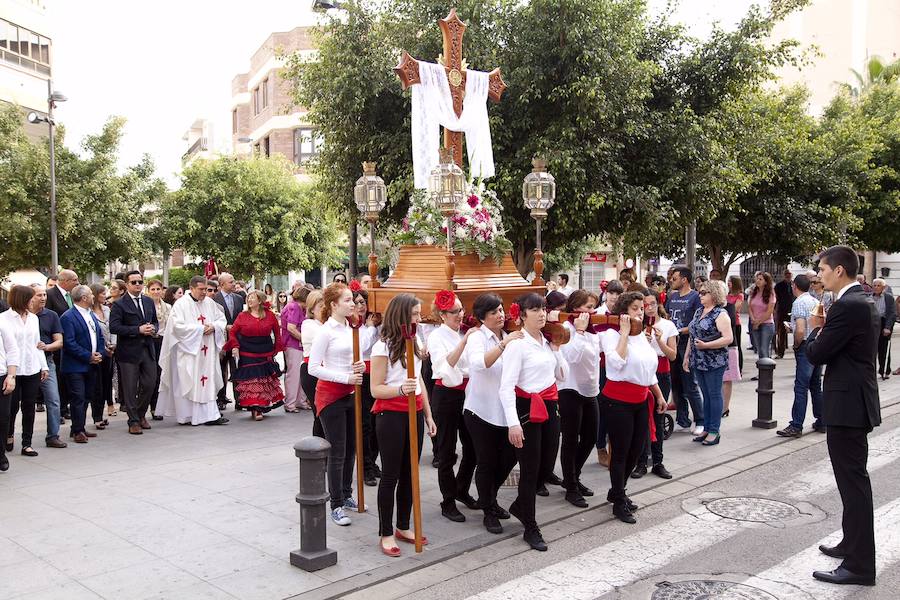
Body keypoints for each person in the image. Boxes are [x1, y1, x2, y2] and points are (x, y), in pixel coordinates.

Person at [804, 246, 880, 587]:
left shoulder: (848, 306)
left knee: (853, 486)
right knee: (851, 483)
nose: (819, 275)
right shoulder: (857, 301)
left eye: (822, 269)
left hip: (848, 406)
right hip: (852, 402)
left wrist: (814, 328)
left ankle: (860, 566)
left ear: (839, 271)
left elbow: (817, 353)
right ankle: (851, 543)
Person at [499, 292, 569, 551]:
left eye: (543, 308)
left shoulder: (546, 340)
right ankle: (530, 526)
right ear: (521, 315)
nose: (541, 313)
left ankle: (520, 505)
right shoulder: (517, 344)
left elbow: (561, 375)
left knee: (546, 464)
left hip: (550, 404)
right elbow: (505, 387)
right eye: (534, 309)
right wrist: (513, 423)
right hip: (527, 408)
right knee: (529, 469)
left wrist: (558, 350)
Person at [369, 293, 437, 557]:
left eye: (420, 314)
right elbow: (375, 389)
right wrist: (399, 389)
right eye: (415, 314)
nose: (419, 319)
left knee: (411, 472)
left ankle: (403, 525)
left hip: (416, 412)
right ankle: (385, 532)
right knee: (391, 475)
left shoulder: (417, 339)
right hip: (391, 415)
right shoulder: (381, 347)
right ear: (401, 315)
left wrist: (429, 416)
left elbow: (419, 380)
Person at [599, 291, 666, 524]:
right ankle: (618, 500)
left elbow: (648, 369)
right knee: (620, 452)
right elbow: (616, 362)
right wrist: (624, 334)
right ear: (624, 311)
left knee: (637, 450)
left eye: (643, 307)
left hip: (640, 398)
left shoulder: (642, 335)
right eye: (636, 308)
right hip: (617, 400)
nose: (642, 311)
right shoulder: (611, 333)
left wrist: (658, 395)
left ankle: (618, 490)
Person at [309, 282, 367, 526]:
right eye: (347, 300)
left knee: (352, 447)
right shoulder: (325, 331)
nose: (352, 303)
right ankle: (336, 504)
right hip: (331, 396)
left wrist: (361, 366)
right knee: (338, 451)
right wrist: (345, 377)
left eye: (352, 299)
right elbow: (313, 368)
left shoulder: (352, 328)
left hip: (351, 392)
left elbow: (357, 357)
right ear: (333, 304)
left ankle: (346, 493)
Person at [463, 293, 520, 534]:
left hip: (505, 409)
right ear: (482, 318)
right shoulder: (478, 337)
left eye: (500, 310)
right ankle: (488, 509)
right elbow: (478, 364)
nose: (500, 315)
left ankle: (491, 497)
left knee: (509, 458)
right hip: (480, 410)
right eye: (494, 312)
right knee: (486, 461)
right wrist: (503, 345)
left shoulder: (510, 336)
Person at [427, 290, 478, 522]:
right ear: (442, 315)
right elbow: (445, 364)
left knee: (473, 447)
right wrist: (466, 341)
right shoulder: (436, 337)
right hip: (446, 395)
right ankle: (447, 501)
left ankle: (461, 488)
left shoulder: (463, 333)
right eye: (454, 311)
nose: (460, 314)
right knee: (446, 452)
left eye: (461, 310)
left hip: (467, 394)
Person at [156, 276, 230, 427]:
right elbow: (176, 327)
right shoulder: (181, 304)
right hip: (190, 352)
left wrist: (214, 326)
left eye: (206, 289)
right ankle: (188, 415)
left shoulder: (209, 303)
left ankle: (211, 415)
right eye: (201, 289)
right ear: (192, 288)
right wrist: (201, 329)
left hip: (207, 352)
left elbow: (221, 319)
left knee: (208, 381)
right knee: (189, 381)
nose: (205, 293)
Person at [557, 290, 600, 507]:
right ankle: (571, 486)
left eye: (594, 307)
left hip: (589, 389)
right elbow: (571, 357)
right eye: (587, 307)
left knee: (591, 436)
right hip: (569, 389)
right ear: (575, 307)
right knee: (571, 440)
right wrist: (580, 333)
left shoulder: (594, 330)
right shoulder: (566, 328)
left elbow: (596, 361)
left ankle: (573, 474)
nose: (591, 312)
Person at [632, 290, 676, 480]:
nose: (648, 309)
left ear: (658, 304)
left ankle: (658, 461)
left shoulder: (667, 325)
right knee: (642, 418)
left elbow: (672, 355)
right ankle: (641, 462)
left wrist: (659, 341)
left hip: (661, 370)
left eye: (651, 304)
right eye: (644, 306)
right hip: (641, 373)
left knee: (658, 416)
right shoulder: (636, 325)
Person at [110, 271, 159, 435]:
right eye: (134, 282)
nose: (138, 284)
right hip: (129, 352)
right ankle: (133, 421)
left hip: (148, 349)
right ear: (127, 284)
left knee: (150, 384)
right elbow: (115, 327)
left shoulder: (148, 301)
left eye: (140, 281)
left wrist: (153, 329)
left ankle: (140, 413)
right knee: (130, 388)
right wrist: (137, 330)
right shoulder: (119, 304)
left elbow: (155, 322)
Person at [684, 280, 732, 446]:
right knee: (706, 394)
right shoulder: (699, 311)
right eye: (700, 292)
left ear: (714, 294)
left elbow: (728, 338)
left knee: (714, 394)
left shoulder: (720, 314)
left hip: (714, 360)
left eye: (704, 293)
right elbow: (692, 335)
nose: (700, 295)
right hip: (698, 359)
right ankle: (707, 428)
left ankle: (714, 431)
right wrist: (687, 356)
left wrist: (706, 345)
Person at [2, 285, 49, 458]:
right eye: (31, 298)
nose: (35, 301)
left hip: (32, 367)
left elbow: (37, 344)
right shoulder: (4, 319)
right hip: (12, 370)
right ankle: (8, 435)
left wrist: (43, 366)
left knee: (29, 406)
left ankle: (27, 443)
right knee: (11, 408)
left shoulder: (34, 319)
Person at [223, 290, 285, 420]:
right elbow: (233, 332)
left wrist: (277, 348)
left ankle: (260, 405)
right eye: (248, 298)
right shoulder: (242, 316)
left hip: (265, 350)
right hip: (247, 351)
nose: (249, 300)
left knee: (263, 380)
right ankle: (256, 408)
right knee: (252, 380)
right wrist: (235, 346)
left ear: (260, 301)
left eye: (252, 298)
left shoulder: (269, 315)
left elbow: (277, 334)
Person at [776, 274, 824, 437]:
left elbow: (801, 329)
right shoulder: (816, 301)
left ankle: (796, 425)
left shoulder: (798, 303)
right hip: (817, 345)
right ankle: (822, 420)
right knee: (816, 385)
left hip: (805, 346)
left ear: (794, 286)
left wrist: (796, 344)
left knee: (801, 386)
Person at [60, 285, 105, 444]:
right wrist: (88, 356)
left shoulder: (90, 314)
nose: (94, 297)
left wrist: (100, 353)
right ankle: (77, 430)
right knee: (77, 397)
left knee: (87, 396)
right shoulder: (68, 317)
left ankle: (79, 426)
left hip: (92, 364)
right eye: (91, 294)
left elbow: (98, 336)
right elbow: (69, 343)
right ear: (84, 298)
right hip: (75, 366)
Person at [665, 266, 705, 435]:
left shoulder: (695, 297)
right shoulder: (672, 296)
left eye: (674, 278)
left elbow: (698, 321)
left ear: (684, 279)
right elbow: (667, 316)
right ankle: (683, 419)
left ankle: (700, 419)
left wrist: (681, 331)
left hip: (687, 344)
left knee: (690, 385)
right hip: (673, 343)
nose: (671, 281)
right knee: (676, 384)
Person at [29, 285, 67, 448]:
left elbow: (59, 341)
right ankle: (13, 436)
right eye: (39, 295)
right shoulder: (22, 316)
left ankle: (53, 435)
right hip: (26, 363)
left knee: (53, 400)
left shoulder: (51, 316)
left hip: (47, 361)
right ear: (30, 298)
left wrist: (47, 347)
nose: (43, 298)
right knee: (23, 402)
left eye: (44, 294)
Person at [353, 286, 381, 486]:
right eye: (356, 303)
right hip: (362, 375)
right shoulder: (353, 325)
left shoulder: (376, 323)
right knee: (365, 424)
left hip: (378, 374)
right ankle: (366, 467)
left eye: (363, 302)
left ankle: (373, 461)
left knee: (377, 422)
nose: (360, 306)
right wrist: (370, 328)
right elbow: (360, 348)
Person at [46, 269, 77, 420]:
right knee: (58, 377)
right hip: (57, 344)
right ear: (65, 281)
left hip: (71, 343)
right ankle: (59, 409)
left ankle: (65, 407)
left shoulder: (72, 296)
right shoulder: (50, 295)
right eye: (74, 280)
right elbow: (48, 319)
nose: (77, 283)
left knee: (66, 377)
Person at [213, 273, 245, 412]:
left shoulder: (239, 298)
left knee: (237, 369)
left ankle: (240, 400)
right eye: (231, 282)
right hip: (221, 340)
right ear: (222, 285)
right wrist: (224, 327)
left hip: (236, 340)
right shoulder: (214, 300)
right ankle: (221, 398)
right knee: (221, 370)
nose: (234, 284)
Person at [89, 284, 116, 424]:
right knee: (96, 384)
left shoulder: (107, 309)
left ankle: (110, 405)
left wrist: (113, 345)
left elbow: (112, 328)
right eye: (102, 293)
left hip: (110, 351)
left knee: (107, 380)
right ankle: (97, 416)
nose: (105, 295)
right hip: (97, 352)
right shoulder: (88, 312)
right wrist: (103, 348)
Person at [282, 286, 311, 412]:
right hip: (293, 345)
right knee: (294, 375)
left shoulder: (295, 306)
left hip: (295, 345)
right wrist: (304, 340)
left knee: (297, 374)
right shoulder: (294, 307)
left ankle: (298, 401)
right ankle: (291, 403)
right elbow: (291, 328)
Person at [147, 279, 170, 420]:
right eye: (153, 289)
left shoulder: (168, 307)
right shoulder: (146, 305)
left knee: (162, 374)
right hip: (150, 340)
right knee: (151, 375)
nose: (156, 292)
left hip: (164, 341)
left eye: (158, 289)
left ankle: (160, 405)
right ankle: (152, 405)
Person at [0, 311, 19, 471]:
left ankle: (0, 453)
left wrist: (11, 376)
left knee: (3, 417)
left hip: (2, 376)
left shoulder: (2, 322)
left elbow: (12, 350)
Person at [748, 272, 776, 362]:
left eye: (760, 279)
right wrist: (753, 319)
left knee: (764, 349)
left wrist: (758, 322)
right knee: (759, 349)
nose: (758, 281)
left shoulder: (770, 294)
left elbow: (769, 311)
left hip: (766, 324)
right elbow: (750, 307)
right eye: (757, 279)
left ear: (766, 282)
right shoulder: (754, 292)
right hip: (755, 323)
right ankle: (761, 372)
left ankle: (767, 373)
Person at [872, 278, 895, 380]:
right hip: (872, 324)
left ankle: (884, 370)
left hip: (883, 323)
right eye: (874, 285)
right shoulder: (868, 297)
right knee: (871, 349)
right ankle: (871, 372)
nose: (876, 287)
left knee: (884, 349)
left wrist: (888, 327)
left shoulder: (889, 298)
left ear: (884, 287)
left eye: (878, 285)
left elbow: (892, 314)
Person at [774, 270, 794, 359]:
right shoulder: (779, 286)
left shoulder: (794, 284)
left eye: (789, 274)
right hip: (782, 310)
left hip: (793, 309)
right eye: (786, 274)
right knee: (781, 332)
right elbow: (776, 298)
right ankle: (780, 352)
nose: (788, 276)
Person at [726, 276, 745, 373]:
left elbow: (736, 308)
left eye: (731, 281)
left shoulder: (739, 295)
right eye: (728, 281)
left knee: (737, 346)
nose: (728, 283)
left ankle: (739, 367)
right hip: (726, 322)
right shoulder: (727, 295)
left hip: (735, 323)